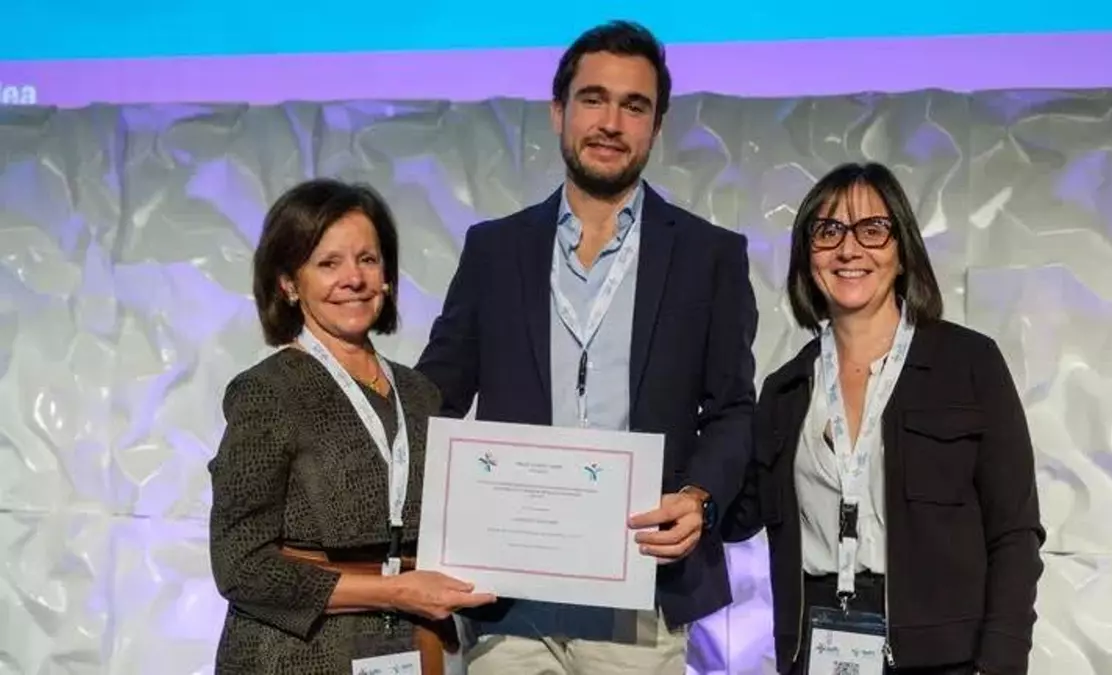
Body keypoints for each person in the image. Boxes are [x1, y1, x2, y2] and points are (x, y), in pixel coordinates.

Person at [415, 20, 759, 675]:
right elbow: (436, 398)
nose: (611, 123)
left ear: (656, 126)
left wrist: (699, 497)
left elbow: (733, 409)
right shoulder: (494, 250)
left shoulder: (709, 256)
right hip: (509, 594)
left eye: (635, 106)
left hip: (640, 591)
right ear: (558, 111)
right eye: (593, 99)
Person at [723, 163, 1044, 675]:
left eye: (872, 229)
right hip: (817, 652)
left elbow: (1015, 532)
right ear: (808, 256)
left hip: (945, 658)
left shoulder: (969, 364)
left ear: (902, 252)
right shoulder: (784, 389)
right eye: (828, 231)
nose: (849, 249)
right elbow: (736, 514)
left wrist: (1000, 662)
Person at [207, 178, 495, 674]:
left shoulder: (420, 395)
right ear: (289, 283)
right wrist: (393, 591)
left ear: (387, 276)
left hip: (407, 649)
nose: (353, 279)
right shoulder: (266, 392)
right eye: (328, 263)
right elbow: (241, 566)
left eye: (367, 259)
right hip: (296, 657)